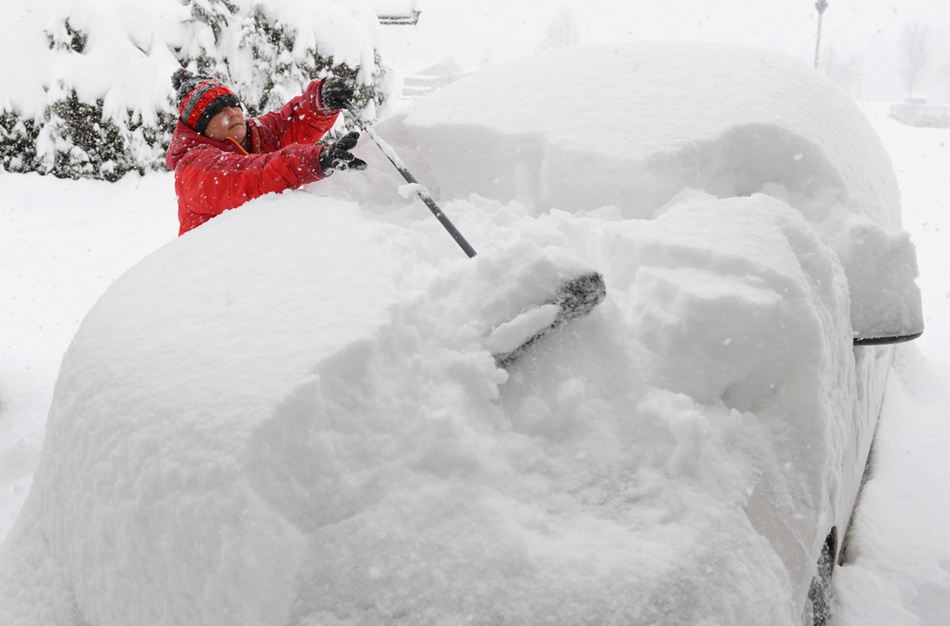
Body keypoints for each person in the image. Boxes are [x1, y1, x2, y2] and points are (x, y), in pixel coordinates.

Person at [165, 68, 366, 235]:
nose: (232, 113)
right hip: (215, 268)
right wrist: (313, 160)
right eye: (217, 111)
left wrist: (321, 101)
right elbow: (249, 176)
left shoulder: (253, 134)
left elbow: (290, 123)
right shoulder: (193, 167)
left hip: (255, 252)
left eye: (234, 105)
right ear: (201, 127)